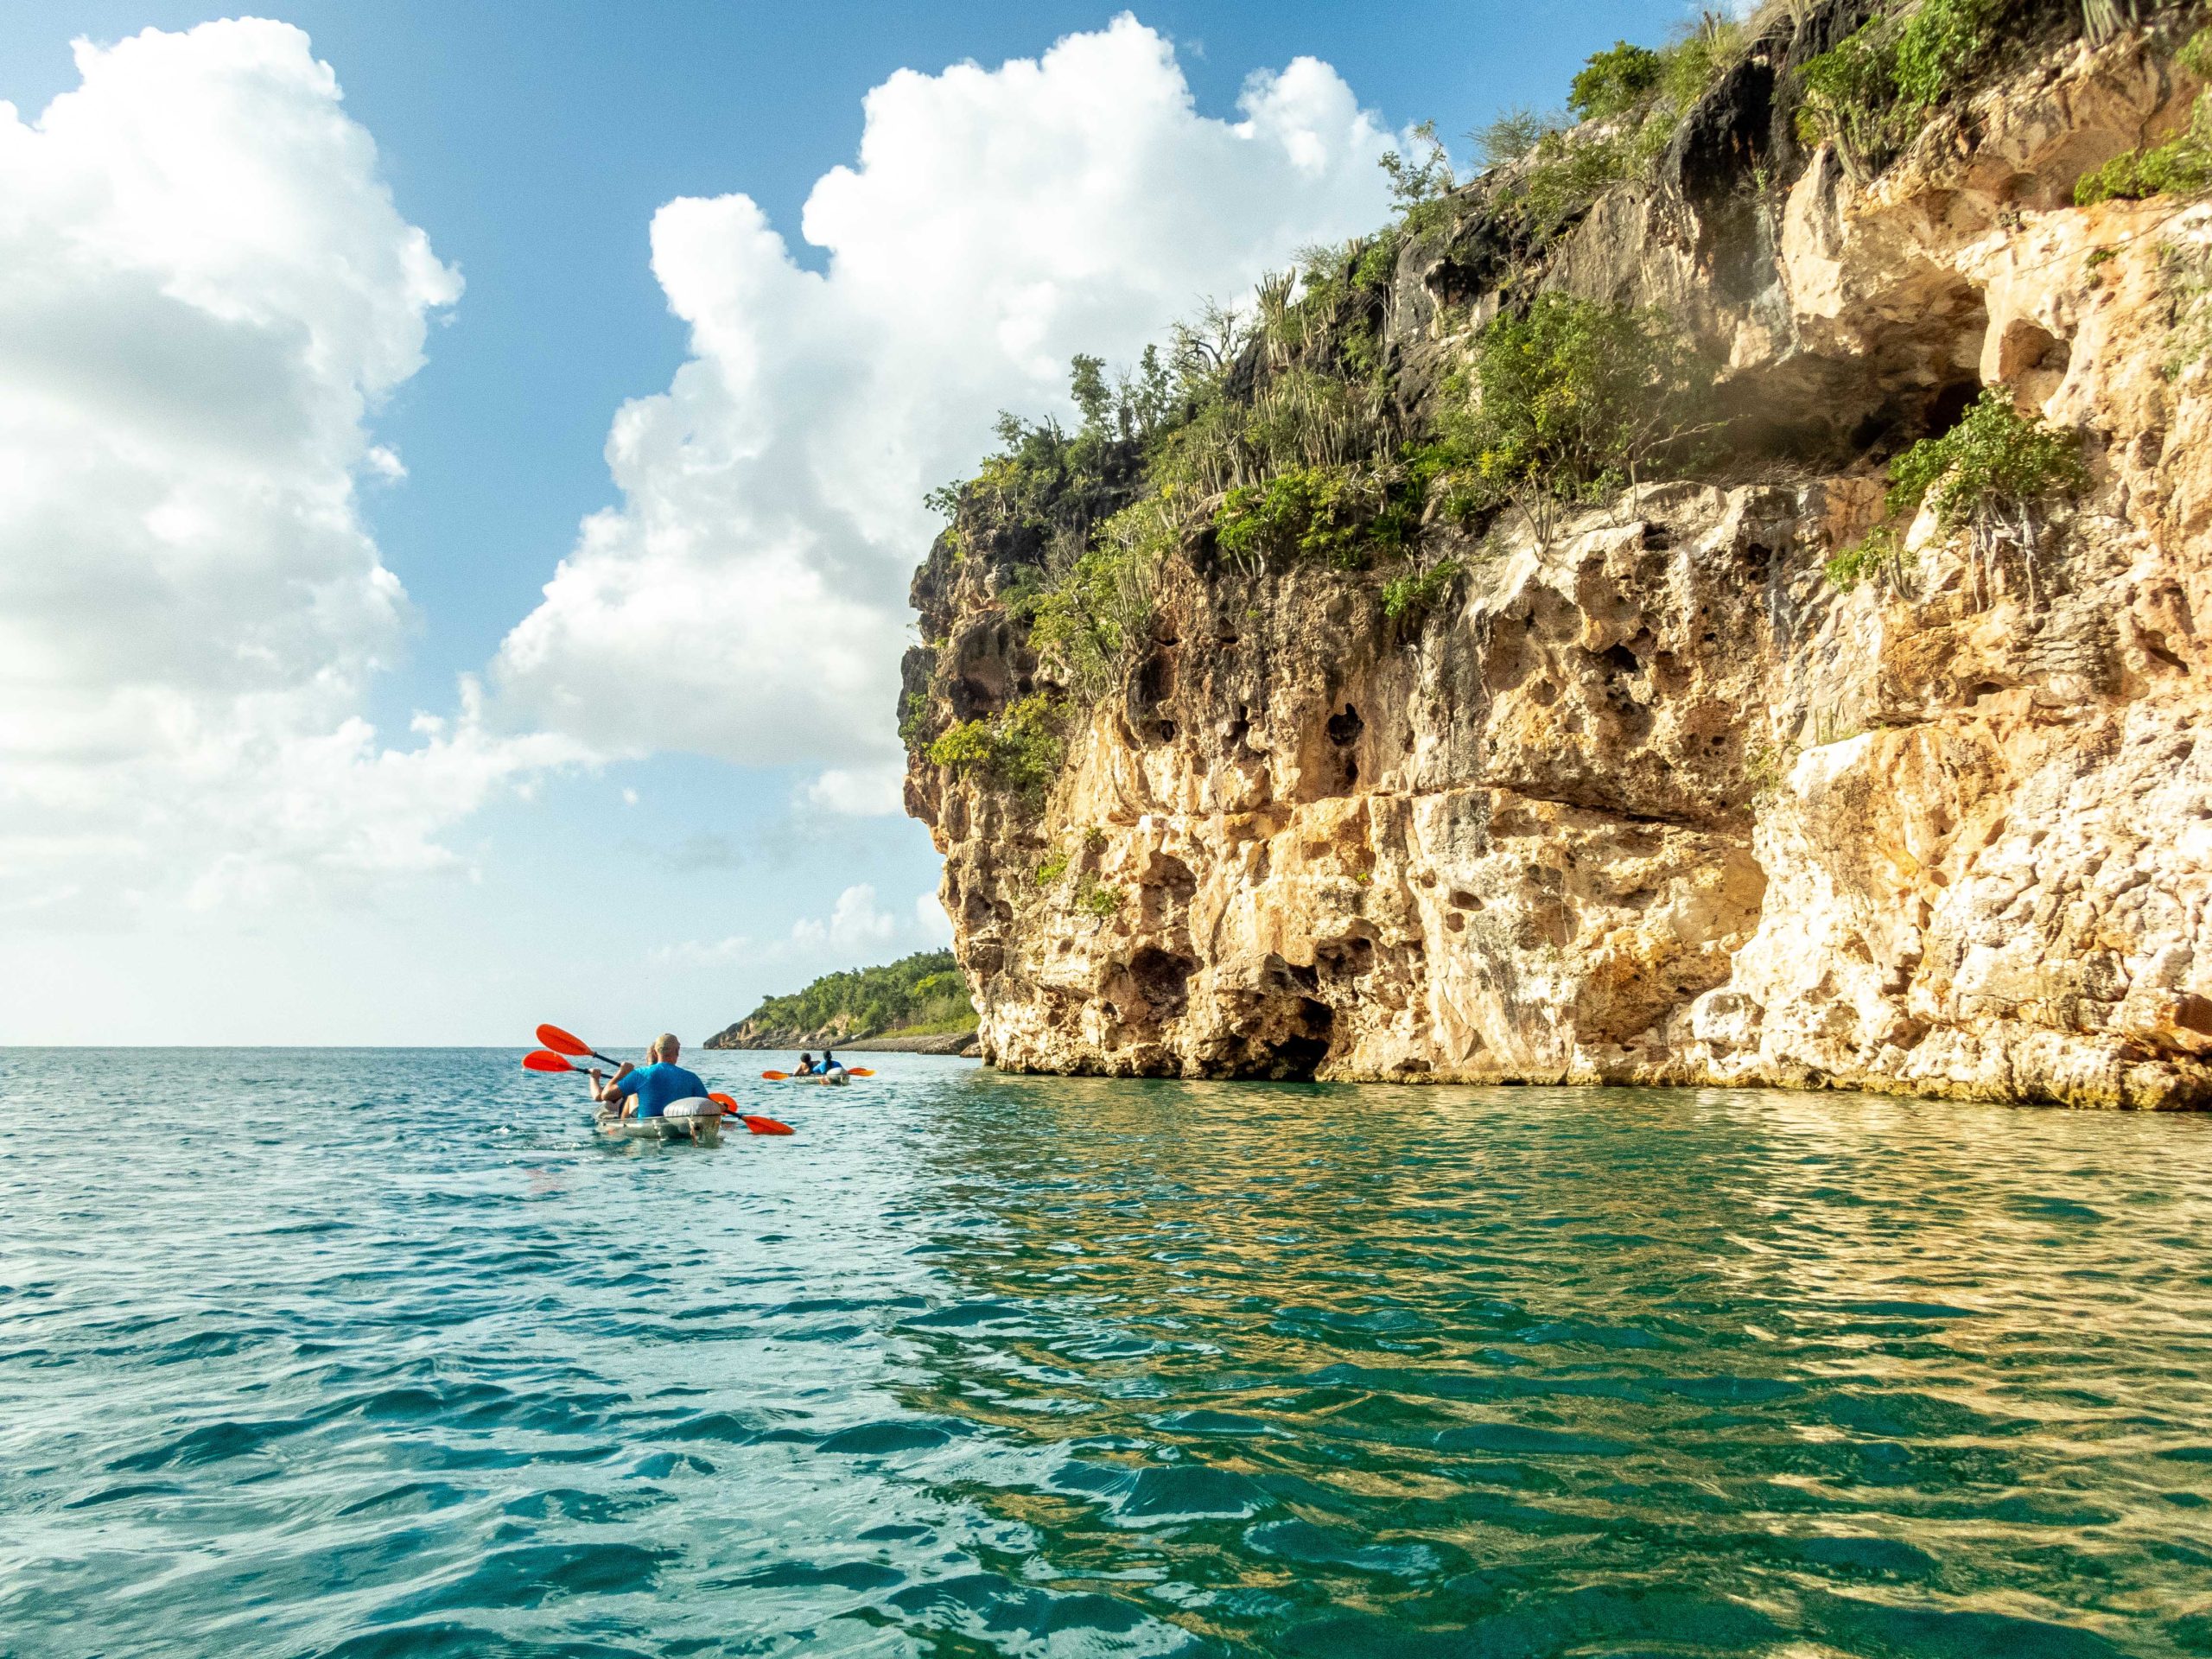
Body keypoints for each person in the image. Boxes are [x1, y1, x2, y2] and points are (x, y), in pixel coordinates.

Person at [591, 1033, 711, 1121]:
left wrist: (622, 1072)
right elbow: (708, 1108)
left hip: (646, 1132)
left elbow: (605, 1095)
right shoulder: (692, 1078)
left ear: (655, 1052)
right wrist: (721, 1106)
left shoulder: (639, 1074)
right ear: (678, 1051)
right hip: (680, 1131)